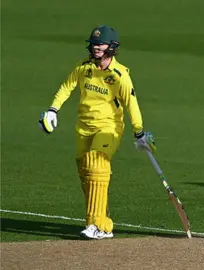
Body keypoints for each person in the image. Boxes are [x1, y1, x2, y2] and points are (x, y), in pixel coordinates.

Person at [38, 25, 156, 240]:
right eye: (93, 44)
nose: (95, 48)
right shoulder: (84, 67)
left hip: (109, 127)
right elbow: (67, 86)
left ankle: (94, 224)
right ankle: (104, 223)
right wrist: (53, 110)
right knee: (86, 172)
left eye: (100, 44)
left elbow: (132, 104)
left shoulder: (120, 75)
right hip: (83, 127)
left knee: (96, 161)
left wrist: (138, 132)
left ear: (112, 47)